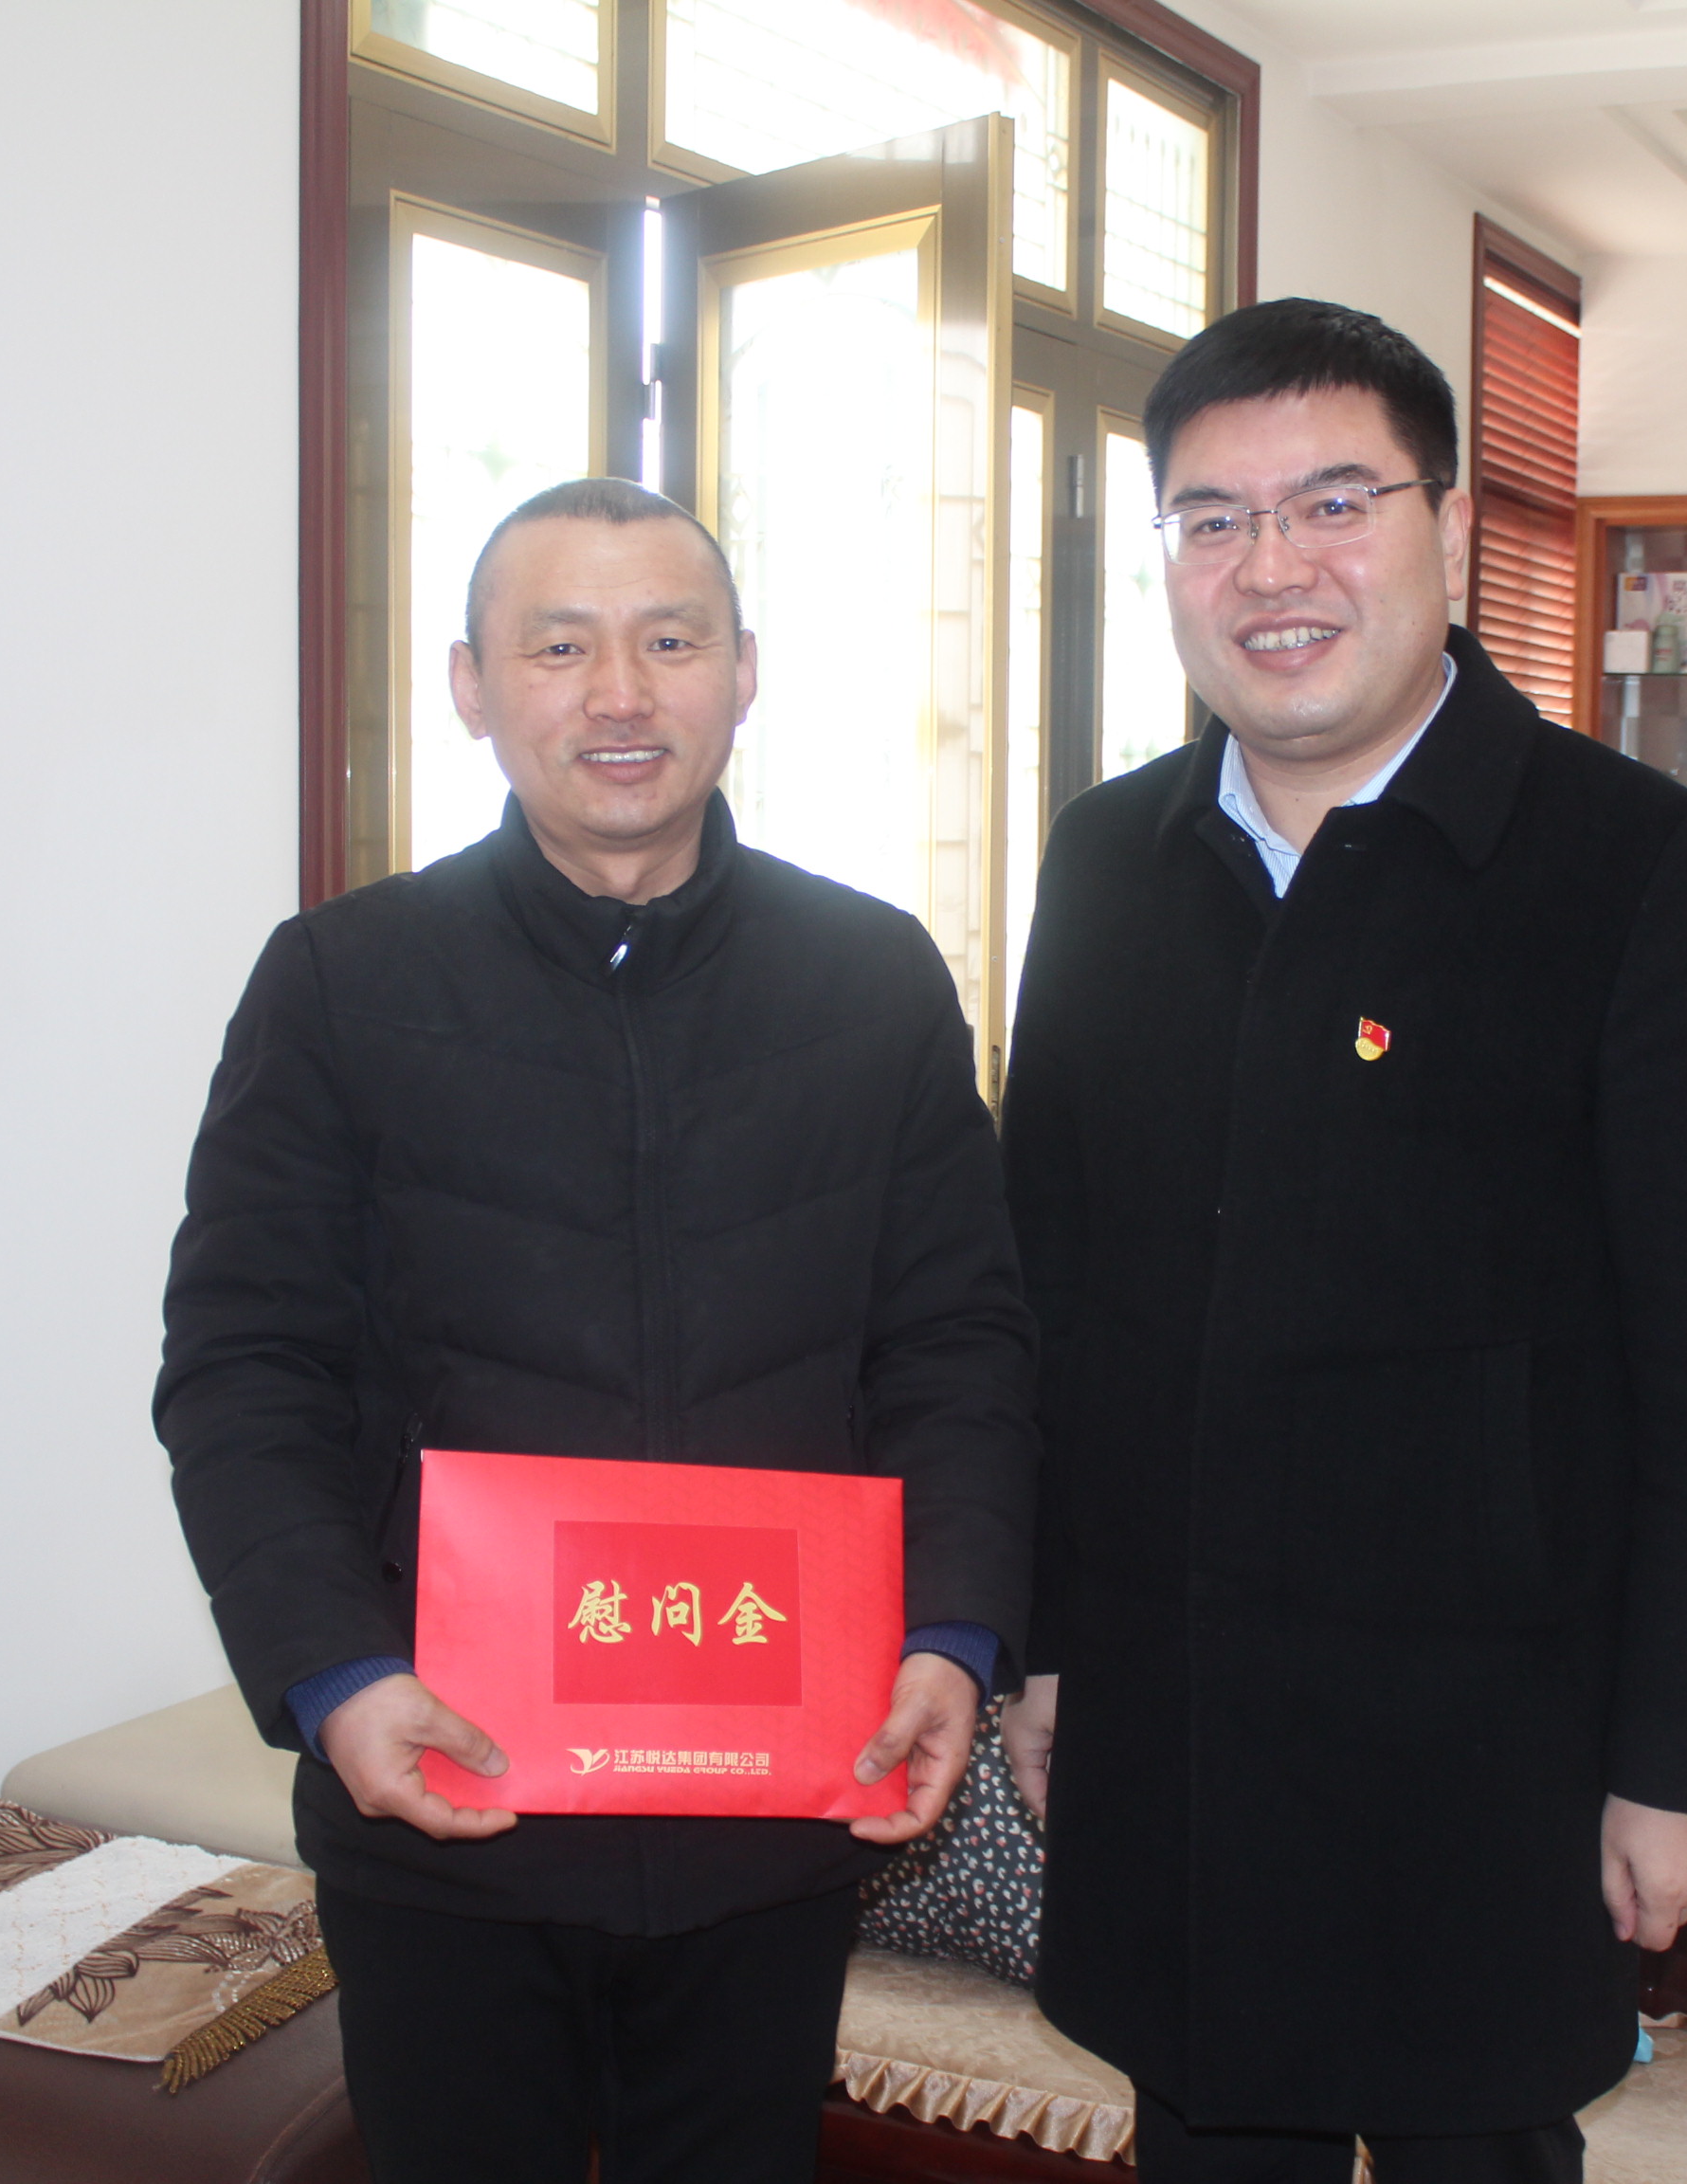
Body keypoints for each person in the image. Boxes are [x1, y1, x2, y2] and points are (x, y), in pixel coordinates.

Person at [996, 300, 1687, 2181]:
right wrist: (1046, 1651)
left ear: (1443, 525)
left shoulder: (1640, 872)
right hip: (1175, 1711)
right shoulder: (1108, 862)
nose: (1271, 567)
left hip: (1495, 1739)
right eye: (1213, 518)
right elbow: (1049, 1292)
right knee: (1202, 2131)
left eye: (1332, 502)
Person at [158, 477, 1037, 2184]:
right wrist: (337, 1677)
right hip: (447, 1810)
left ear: (744, 673)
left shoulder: (871, 982)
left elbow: (960, 1346)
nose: (620, 695)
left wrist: (953, 1633)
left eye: (669, 642)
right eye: (559, 648)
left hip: (770, 1817)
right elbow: (241, 1371)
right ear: (473, 686)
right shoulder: (342, 983)